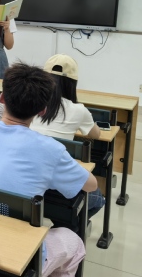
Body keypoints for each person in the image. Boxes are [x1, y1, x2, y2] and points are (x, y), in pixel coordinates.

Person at [0, 63, 97, 277]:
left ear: (1, 98)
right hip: (17, 253)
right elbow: (91, 186)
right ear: (43, 110)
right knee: (72, 240)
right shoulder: (51, 150)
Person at [31, 54, 105, 219]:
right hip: (58, 186)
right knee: (98, 199)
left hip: (30, 180)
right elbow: (96, 134)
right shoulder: (78, 110)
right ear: (72, 83)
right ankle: (71, 229)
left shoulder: (31, 101)